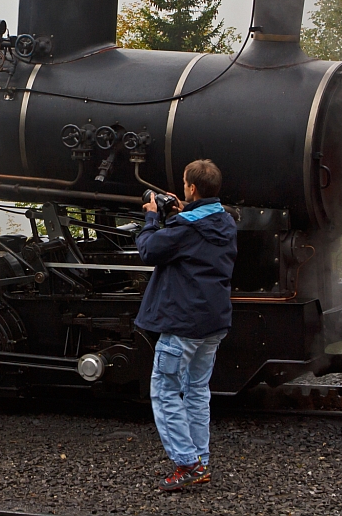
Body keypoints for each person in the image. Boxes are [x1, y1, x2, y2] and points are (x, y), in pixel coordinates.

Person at [133, 159, 237, 491]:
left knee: (164, 392)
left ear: (192, 188)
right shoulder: (224, 220)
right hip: (212, 323)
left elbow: (148, 250)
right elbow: (194, 233)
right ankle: (200, 461)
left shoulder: (186, 228)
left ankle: (187, 463)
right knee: (196, 392)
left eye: (184, 183)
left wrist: (151, 217)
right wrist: (182, 211)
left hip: (183, 324)